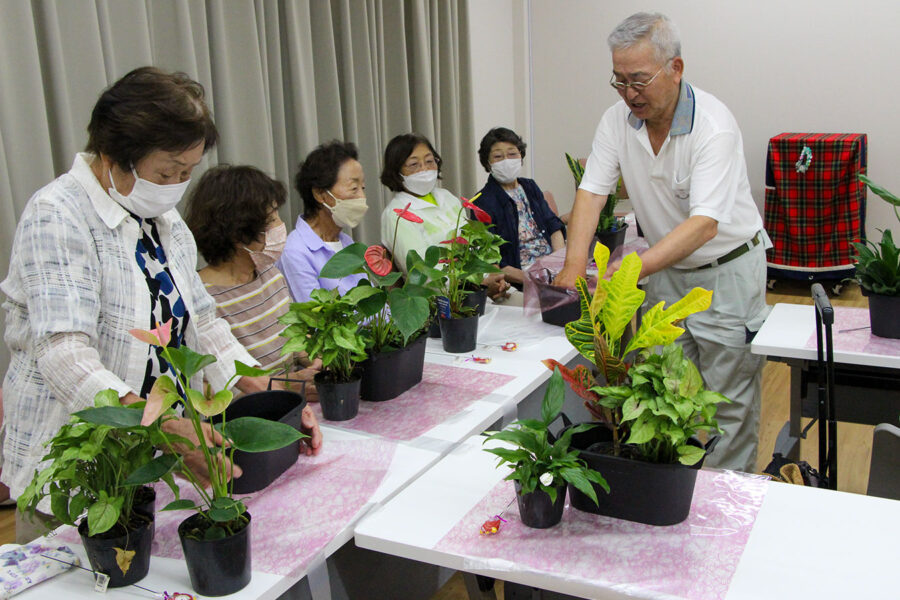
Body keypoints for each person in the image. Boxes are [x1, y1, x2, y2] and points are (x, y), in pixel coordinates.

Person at [0, 67, 321, 542]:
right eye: (166, 172)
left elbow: (204, 321)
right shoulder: (57, 215)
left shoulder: (161, 217)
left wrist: (261, 387)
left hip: (157, 450)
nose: (176, 185)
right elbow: (64, 353)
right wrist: (159, 423)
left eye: (186, 173)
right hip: (82, 467)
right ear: (114, 156)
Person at [553, 13, 770, 473]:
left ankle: (726, 503)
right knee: (666, 391)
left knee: (729, 400)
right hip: (666, 272)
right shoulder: (617, 121)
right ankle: (675, 490)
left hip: (726, 271)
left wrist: (634, 268)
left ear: (675, 68)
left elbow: (705, 225)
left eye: (638, 80)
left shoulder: (713, 126)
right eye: (618, 80)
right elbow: (593, 191)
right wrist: (573, 268)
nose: (629, 93)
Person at [184, 165, 321, 398]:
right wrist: (284, 385)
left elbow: (293, 338)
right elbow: (204, 389)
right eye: (270, 221)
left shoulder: (271, 276)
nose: (280, 227)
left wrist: (316, 361)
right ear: (238, 234)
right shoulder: (201, 298)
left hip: (294, 402)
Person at [379, 133, 508, 297]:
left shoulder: (446, 197)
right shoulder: (395, 214)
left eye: (429, 161)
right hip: (439, 304)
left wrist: (492, 275)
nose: (424, 169)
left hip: (476, 294)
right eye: (413, 164)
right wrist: (478, 283)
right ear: (396, 172)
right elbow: (423, 274)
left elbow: (473, 244)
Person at [473, 127, 565, 286]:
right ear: (487, 163)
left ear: (521, 156)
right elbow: (492, 261)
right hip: (521, 278)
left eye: (512, 154)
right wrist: (534, 280)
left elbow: (553, 226)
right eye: (497, 156)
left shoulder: (529, 186)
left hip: (553, 270)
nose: (506, 160)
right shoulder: (482, 202)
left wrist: (560, 263)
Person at [278, 141, 368, 302]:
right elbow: (318, 319)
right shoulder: (296, 252)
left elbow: (371, 302)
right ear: (320, 194)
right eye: (354, 188)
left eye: (363, 188)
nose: (362, 197)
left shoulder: (346, 241)